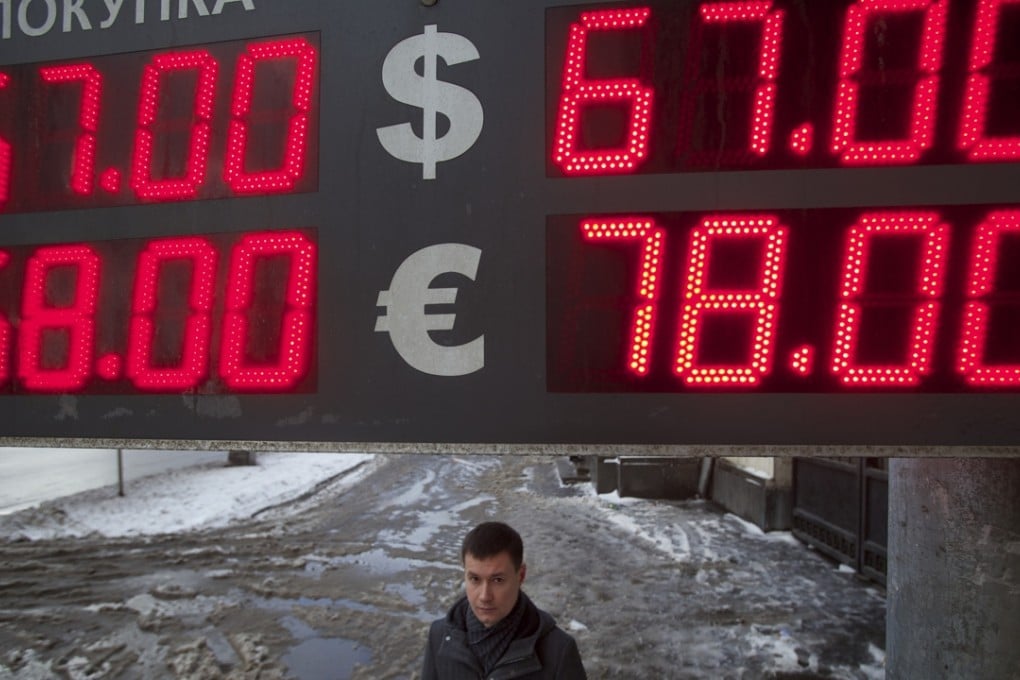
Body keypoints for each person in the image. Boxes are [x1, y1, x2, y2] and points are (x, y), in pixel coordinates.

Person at [421, 521, 587, 679]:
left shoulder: (558, 651)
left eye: (498, 580)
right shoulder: (439, 637)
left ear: (521, 575)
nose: (485, 596)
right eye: (475, 579)